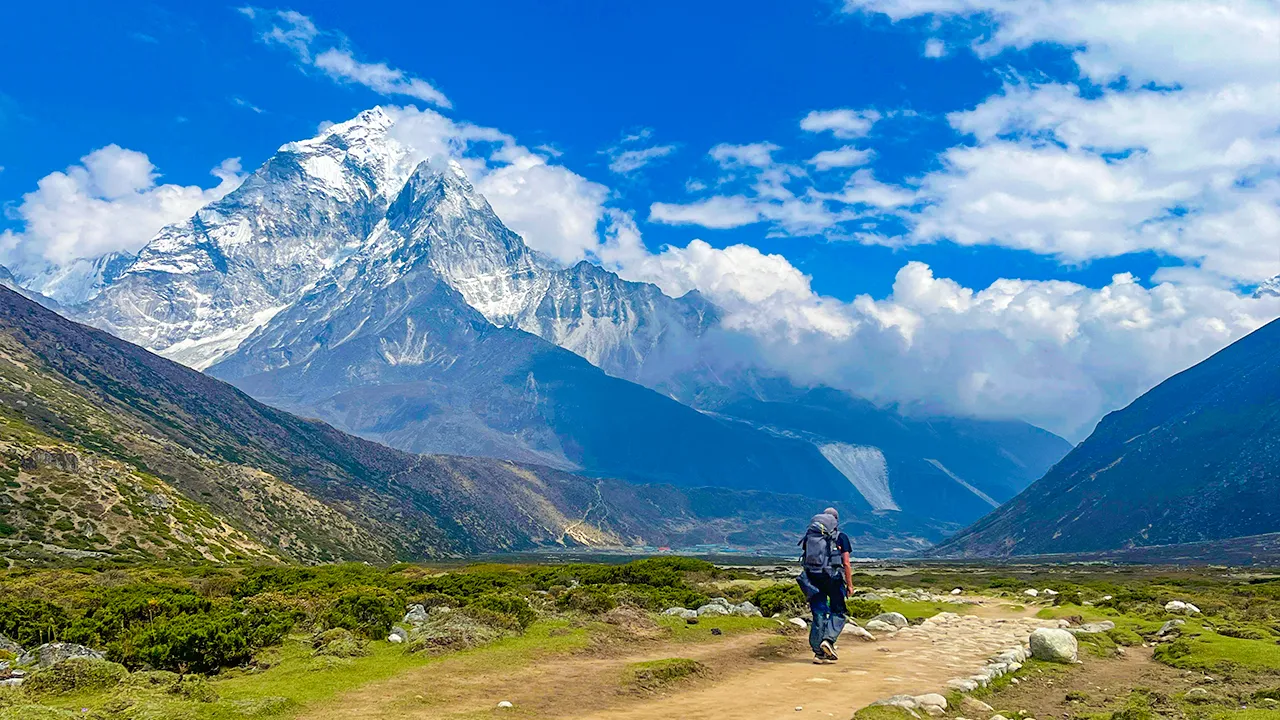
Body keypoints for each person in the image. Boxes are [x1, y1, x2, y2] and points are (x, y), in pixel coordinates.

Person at [796, 507, 854, 663]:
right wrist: (849, 585)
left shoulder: (810, 536)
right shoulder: (840, 537)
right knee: (839, 611)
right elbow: (846, 563)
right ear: (836, 521)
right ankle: (828, 640)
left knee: (819, 613)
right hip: (832, 578)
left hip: (812, 578)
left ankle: (818, 653)